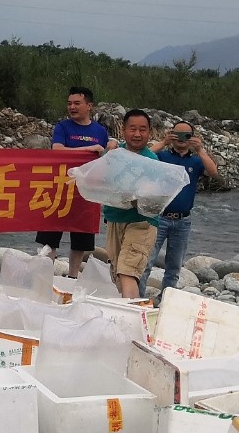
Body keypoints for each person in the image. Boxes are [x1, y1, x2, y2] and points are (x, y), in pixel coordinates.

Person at [35, 86, 114, 278]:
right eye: (69, 103)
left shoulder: (100, 131)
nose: (72, 107)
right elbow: (57, 150)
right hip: (59, 189)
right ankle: (44, 276)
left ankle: (72, 277)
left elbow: (105, 160)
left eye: (77, 103)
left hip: (86, 192)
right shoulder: (63, 127)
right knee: (49, 237)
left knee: (81, 239)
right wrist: (88, 149)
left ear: (89, 106)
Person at [140, 119, 219, 296]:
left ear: (192, 137)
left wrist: (200, 150)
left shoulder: (196, 161)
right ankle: (139, 299)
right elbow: (142, 158)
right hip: (159, 217)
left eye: (186, 135)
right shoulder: (162, 157)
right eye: (178, 134)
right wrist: (163, 142)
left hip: (183, 221)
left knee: (174, 267)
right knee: (146, 262)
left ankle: (165, 299)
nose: (182, 139)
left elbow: (214, 172)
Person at [102, 109, 159, 299]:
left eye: (142, 129)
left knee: (128, 271)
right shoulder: (113, 154)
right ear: (123, 130)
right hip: (114, 219)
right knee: (118, 274)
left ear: (149, 132)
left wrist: (132, 197)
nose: (137, 134)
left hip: (142, 222)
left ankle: (131, 314)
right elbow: (98, 179)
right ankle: (127, 310)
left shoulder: (152, 161)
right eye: (132, 129)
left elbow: (151, 203)